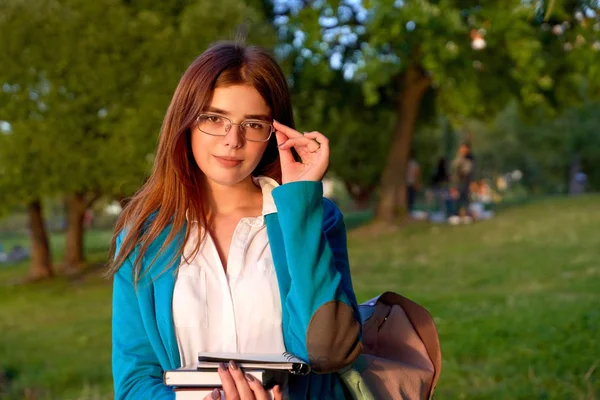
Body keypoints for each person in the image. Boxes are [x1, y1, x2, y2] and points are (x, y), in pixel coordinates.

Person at [106, 41, 362, 400]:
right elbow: (134, 383)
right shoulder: (143, 236)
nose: (233, 140)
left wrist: (301, 204)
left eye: (253, 124)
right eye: (214, 118)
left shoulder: (314, 217)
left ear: (274, 134)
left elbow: (330, 350)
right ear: (186, 122)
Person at [451, 143, 475, 221]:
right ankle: (456, 215)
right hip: (458, 182)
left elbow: (468, 171)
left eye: (465, 149)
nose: (464, 151)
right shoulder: (458, 159)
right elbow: (455, 170)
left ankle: (466, 214)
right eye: (462, 149)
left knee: (466, 198)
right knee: (457, 198)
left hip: (466, 182)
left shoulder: (470, 159)